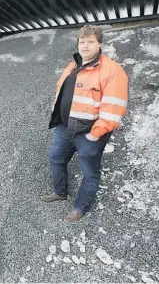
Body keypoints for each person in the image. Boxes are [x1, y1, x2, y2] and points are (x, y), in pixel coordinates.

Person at [42, 25, 129, 222]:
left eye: (90, 41)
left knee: (90, 172)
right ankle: (60, 191)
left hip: (89, 132)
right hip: (65, 128)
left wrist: (95, 134)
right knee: (56, 158)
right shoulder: (73, 66)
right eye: (82, 41)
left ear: (99, 44)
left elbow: (114, 108)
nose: (85, 45)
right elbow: (62, 93)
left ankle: (80, 207)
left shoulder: (112, 71)